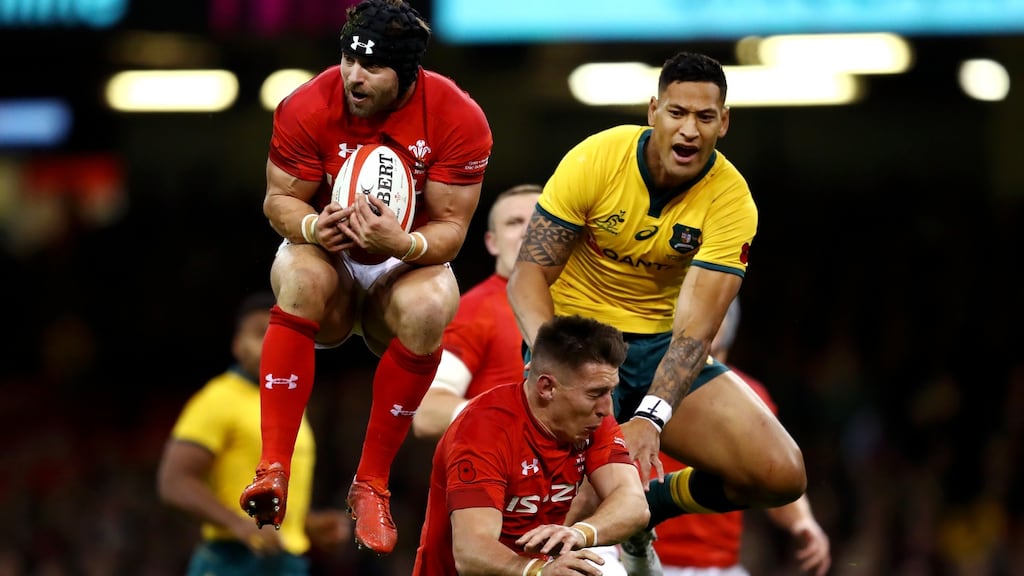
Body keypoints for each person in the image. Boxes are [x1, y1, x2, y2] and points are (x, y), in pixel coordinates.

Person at [506, 51, 807, 563]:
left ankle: (651, 504)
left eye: (705, 117)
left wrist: (652, 416)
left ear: (724, 122)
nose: (689, 130)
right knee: (556, 521)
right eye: (677, 113)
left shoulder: (731, 200)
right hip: (575, 343)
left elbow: (699, 327)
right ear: (653, 111)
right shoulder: (596, 159)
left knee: (781, 474)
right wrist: (550, 361)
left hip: (659, 347)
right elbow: (527, 278)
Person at [236, 0, 493, 556]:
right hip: (325, 248)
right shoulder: (306, 104)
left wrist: (403, 244)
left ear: (407, 75)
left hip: (402, 260)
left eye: (372, 67)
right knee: (299, 277)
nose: (354, 75)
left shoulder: (458, 117)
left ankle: (371, 483)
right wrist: (311, 224)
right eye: (350, 59)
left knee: (430, 310)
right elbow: (278, 200)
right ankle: (273, 466)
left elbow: (451, 228)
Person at [411, 314, 650, 576]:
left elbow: (634, 504)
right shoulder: (483, 432)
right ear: (546, 387)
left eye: (610, 391)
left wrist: (578, 533)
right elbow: (471, 552)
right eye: (595, 393)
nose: (606, 408)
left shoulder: (591, 421)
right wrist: (538, 570)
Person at [157, 291, 351, 576]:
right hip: (233, 560)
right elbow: (173, 481)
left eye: (280, 334)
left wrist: (307, 524)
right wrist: (236, 524)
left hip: (286, 562)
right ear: (237, 346)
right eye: (260, 333)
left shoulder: (288, 403)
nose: (271, 343)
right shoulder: (218, 398)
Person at [638, 299, 832, 576]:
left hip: (718, 566)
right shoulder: (644, 384)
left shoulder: (752, 398)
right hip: (641, 553)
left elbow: (774, 472)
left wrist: (802, 521)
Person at [411, 183, 542, 440]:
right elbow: (427, 412)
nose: (528, 231)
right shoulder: (475, 309)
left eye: (539, 221)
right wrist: (518, 424)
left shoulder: (589, 304)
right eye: (514, 222)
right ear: (492, 243)